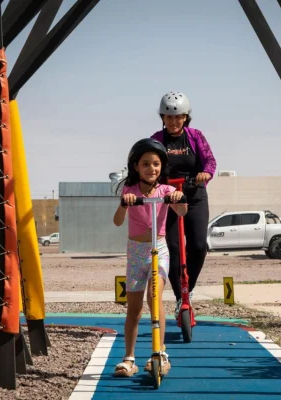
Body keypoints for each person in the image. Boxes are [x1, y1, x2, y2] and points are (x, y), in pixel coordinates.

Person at [112, 138, 187, 377]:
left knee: (155, 298)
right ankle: (129, 358)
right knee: (133, 309)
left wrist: (178, 199)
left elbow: (183, 211)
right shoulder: (130, 191)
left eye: (156, 164)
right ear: (136, 166)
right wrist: (125, 204)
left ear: (161, 166)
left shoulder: (167, 191)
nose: (151, 168)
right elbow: (117, 221)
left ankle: (160, 352)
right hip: (136, 252)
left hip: (159, 250)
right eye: (145, 164)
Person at [151, 91, 217, 318]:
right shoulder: (156, 140)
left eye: (178, 116)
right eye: (169, 117)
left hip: (194, 194)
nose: (173, 121)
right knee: (173, 249)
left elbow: (209, 160)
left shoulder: (195, 136)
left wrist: (205, 174)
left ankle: (189, 289)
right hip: (167, 198)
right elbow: (148, 164)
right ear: (162, 118)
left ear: (186, 117)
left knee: (198, 246)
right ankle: (181, 297)